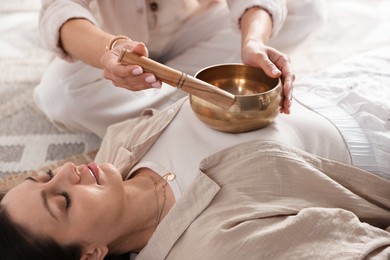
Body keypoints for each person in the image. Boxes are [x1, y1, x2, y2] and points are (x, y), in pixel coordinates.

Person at [1, 88, 390, 259]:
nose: (68, 173)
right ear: (91, 255)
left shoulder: (119, 146)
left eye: (47, 174)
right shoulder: (216, 247)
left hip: (334, 83)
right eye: (62, 201)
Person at [33, 0, 326, 137]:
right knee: (60, 95)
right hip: (108, 41)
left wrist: (253, 42)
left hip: (191, 25)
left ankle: (180, 90)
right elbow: (60, 9)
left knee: (306, 8)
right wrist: (110, 52)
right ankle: (203, 95)